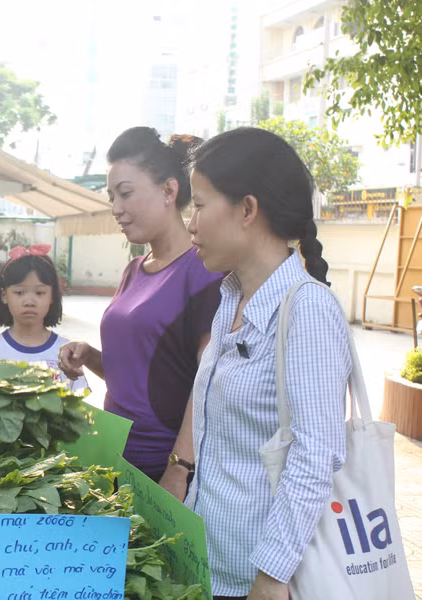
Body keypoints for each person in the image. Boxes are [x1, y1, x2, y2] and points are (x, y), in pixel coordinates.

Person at [184, 127, 350, 600]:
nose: (191, 224)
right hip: (211, 567)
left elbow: (314, 455)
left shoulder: (307, 311)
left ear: (248, 209)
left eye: (198, 204)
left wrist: (270, 578)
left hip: (258, 584)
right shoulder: (230, 299)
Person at [58, 127, 222, 488]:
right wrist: (91, 357)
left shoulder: (203, 271)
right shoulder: (134, 270)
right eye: (111, 196)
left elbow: (211, 385)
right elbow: (145, 370)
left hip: (163, 472)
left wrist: (179, 470)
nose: (116, 209)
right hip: (114, 459)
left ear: (169, 190)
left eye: (126, 194)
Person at [0, 244, 87, 392]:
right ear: (4, 295)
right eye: (20, 292)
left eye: (40, 293)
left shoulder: (66, 352)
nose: (29, 301)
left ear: (52, 296)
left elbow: (80, 400)